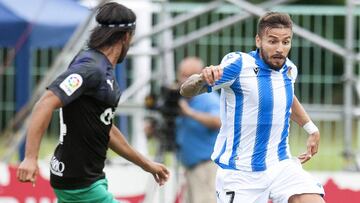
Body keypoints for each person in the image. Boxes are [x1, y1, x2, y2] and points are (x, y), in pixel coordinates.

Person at [16, 2, 169, 203]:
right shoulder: (91, 69)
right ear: (126, 37)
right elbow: (45, 103)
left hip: (90, 179)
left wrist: (146, 164)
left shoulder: (98, 67)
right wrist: (30, 157)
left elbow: (107, 128)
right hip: (79, 185)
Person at [180, 12, 325, 203]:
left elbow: (287, 96)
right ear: (258, 40)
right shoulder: (239, 65)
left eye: (286, 42)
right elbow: (186, 90)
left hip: (280, 165)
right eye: (272, 41)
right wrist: (201, 78)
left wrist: (311, 128)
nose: (280, 49)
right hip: (240, 173)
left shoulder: (289, 69)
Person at [176, 57, 221, 203]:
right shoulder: (180, 100)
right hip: (189, 167)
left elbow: (218, 121)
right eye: (182, 74)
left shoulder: (209, 98)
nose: (184, 79)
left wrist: (190, 113)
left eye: (189, 75)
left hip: (206, 166)